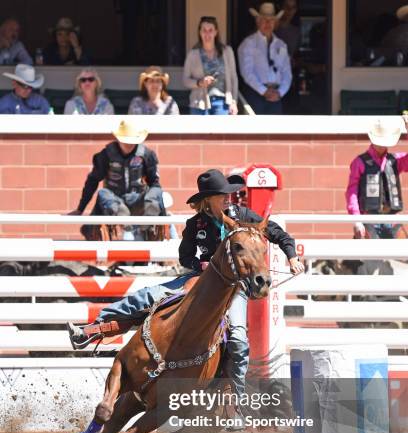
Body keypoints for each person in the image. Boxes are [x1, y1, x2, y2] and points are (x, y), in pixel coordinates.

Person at [67, 169, 304, 406]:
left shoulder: (241, 215)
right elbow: (184, 257)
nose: (228, 198)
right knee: (145, 297)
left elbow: (274, 232)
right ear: (209, 199)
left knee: (239, 339)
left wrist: (291, 257)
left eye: (228, 195)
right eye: (222, 195)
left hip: (233, 287)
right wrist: (201, 264)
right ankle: (93, 330)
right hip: (199, 280)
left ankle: (237, 402)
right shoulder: (195, 224)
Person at [68, 119, 164, 241]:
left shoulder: (147, 154)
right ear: (119, 139)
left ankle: (147, 228)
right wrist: (80, 209)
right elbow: (92, 181)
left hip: (139, 199)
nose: (129, 145)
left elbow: (155, 183)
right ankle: (126, 224)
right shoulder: (106, 155)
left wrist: (156, 206)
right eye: (126, 141)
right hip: (114, 201)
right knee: (103, 193)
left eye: (132, 141)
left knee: (157, 192)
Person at [346, 118, 408, 239]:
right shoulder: (359, 162)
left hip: (392, 219)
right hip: (369, 219)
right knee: (371, 256)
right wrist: (357, 220)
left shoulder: (395, 160)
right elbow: (351, 193)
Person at [238, 2, 292, 114]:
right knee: (255, 131)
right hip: (255, 95)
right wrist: (264, 91)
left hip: (276, 96)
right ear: (257, 22)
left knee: (275, 131)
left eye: (271, 20)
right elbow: (247, 73)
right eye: (264, 20)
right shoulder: (248, 43)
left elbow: (287, 73)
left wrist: (280, 92)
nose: (268, 23)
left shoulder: (281, 45)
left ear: (276, 23)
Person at [183, 16, 238, 115]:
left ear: (216, 32)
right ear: (199, 32)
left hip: (222, 102)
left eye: (210, 30)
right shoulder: (193, 54)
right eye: (204, 30)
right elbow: (185, 81)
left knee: (221, 131)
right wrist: (200, 83)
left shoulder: (227, 52)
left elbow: (234, 78)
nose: (207, 34)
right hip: (199, 103)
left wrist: (234, 102)